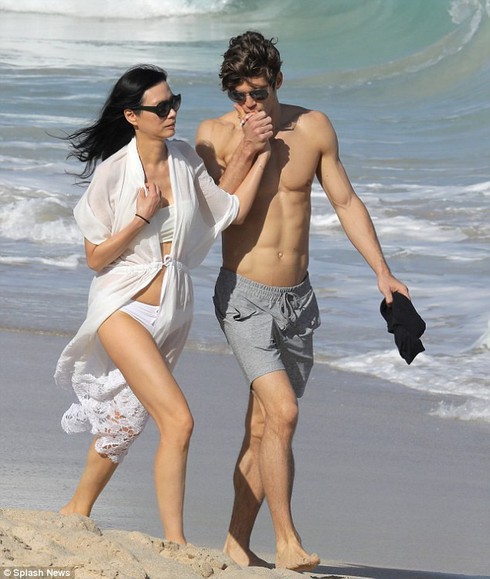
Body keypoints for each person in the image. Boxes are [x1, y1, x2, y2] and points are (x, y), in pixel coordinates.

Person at [195, 31, 410, 571]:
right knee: (284, 412)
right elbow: (220, 214)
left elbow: (345, 201)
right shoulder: (213, 136)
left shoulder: (313, 128)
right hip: (242, 296)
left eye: (259, 92)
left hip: (297, 301)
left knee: (264, 427)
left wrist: (383, 272)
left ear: (278, 82)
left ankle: (235, 544)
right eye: (239, 96)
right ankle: (287, 542)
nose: (250, 104)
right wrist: (251, 147)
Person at [55, 64, 272, 546]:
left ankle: (75, 509)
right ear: (133, 116)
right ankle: (176, 544)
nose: (172, 112)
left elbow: (227, 211)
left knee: (127, 420)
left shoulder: (184, 158)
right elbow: (95, 258)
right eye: (161, 107)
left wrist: (260, 153)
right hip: (122, 307)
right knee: (178, 420)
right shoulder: (113, 173)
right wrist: (139, 219)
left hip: (173, 310)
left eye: (175, 102)